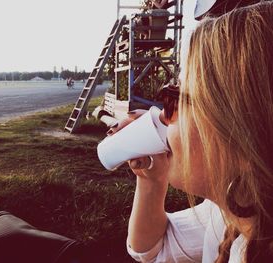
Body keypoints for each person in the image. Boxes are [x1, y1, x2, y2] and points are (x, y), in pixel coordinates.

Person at [107, 2, 273, 262]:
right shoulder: (226, 216)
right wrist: (151, 179)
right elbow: (152, 250)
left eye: (177, 100)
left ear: (240, 133)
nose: (163, 115)